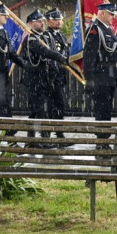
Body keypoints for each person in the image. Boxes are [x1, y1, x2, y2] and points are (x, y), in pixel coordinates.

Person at [20, 10, 67, 142]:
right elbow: (44, 51)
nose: (42, 23)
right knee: (40, 110)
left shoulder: (44, 38)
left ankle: (31, 141)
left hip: (44, 78)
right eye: (38, 21)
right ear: (31, 23)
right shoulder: (31, 39)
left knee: (38, 111)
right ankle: (43, 140)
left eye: (42, 21)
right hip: (33, 79)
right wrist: (60, 57)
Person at [85, 2, 117, 138]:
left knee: (107, 109)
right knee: (101, 110)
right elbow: (89, 56)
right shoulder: (95, 30)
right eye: (111, 14)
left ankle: (105, 138)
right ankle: (102, 140)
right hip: (100, 76)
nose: (113, 17)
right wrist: (88, 78)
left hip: (110, 77)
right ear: (102, 13)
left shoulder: (108, 29)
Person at [43, 8, 71, 138]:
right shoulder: (46, 36)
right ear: (49, 21)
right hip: (50, 75)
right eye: (56, 19)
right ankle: (48, 133)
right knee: (52, 105)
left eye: (60, 19)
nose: (59, 22)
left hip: (60, 74)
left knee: (60, 105)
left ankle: (59, 132)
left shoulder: (62, 36)